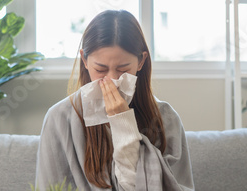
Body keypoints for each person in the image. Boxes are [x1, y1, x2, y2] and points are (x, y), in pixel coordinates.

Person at [35, 10, 194, 191]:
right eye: (101, 69)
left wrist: (123, 124)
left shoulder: (165, 118)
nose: (112, 80)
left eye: (123, 69)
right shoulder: (59, 118)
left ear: (141, 62)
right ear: (85, 61)